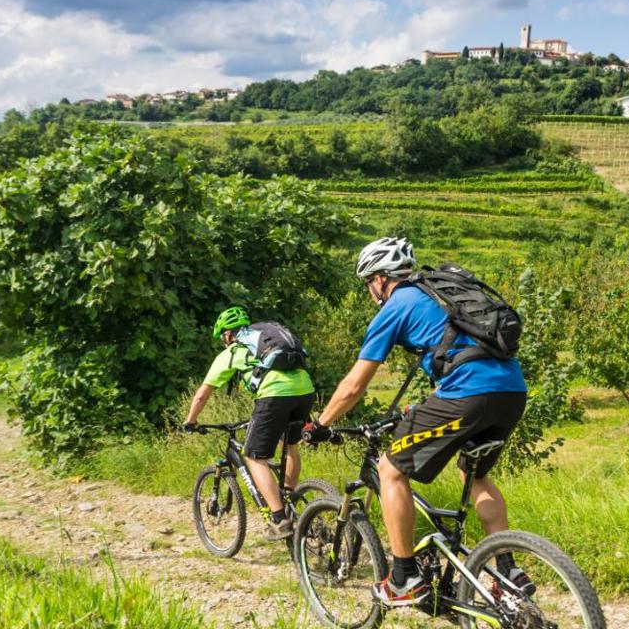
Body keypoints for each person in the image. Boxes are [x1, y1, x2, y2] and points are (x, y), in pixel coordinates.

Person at [303, 237, 530, 607]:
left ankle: (404, 575)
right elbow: (454, 353)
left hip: (467, 392)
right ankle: (508, 571)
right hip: (511, 392)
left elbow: (354, 385)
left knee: (390, 469)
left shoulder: (396, 305)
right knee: (475, 474)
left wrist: (321, 424)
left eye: (367, 284)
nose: (370, 292)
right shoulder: (439, 295)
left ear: (379, 279)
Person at [183, 306, 315, 540]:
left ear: (227, 334)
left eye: (222, 337)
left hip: (274, 394)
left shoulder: (232, 351)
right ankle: (287, 496)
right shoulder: (267, 339)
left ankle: (279, 518)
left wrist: (190, 421)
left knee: (254, 456)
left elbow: (202, 394)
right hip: (305, 390)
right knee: (290, 444)